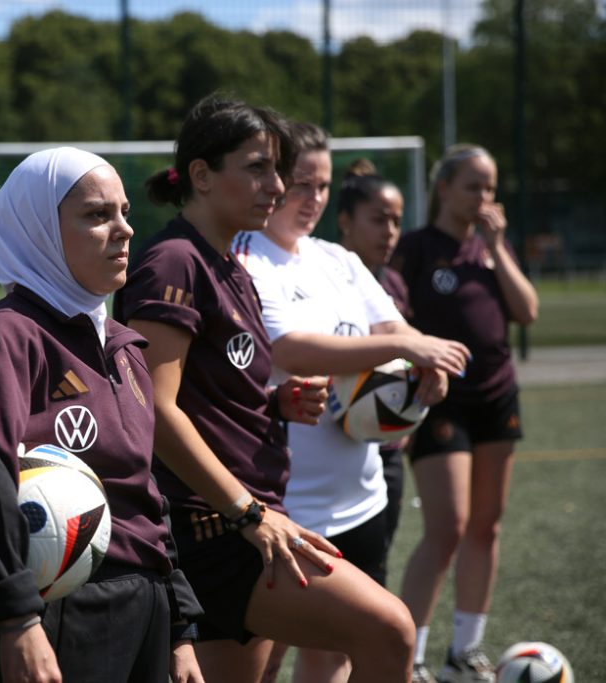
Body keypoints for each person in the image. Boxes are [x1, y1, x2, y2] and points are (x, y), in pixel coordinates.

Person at [113, 94, 416, 683]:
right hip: (217, 530)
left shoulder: (231, 267)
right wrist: (248, 514)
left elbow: (209, 391)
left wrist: (275, 403)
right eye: (257, 167)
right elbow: (154, 409)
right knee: (390, 630)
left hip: (248, 521)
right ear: (201, 175)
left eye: (278, 169)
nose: (276, 186)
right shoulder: (174, 262)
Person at [0, 146, 204, 683]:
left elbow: (146, 494)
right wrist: (16, 616)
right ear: (39, 231)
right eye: (97, 215)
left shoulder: (124, 347)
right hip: (57, 611)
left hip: (144, 609)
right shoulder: (7, 337)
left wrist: (179, 625)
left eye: (124, 212)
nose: (123, 229)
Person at [232, 123, 469, 683]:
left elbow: (391, 325)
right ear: (271, 180)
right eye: (301, 183)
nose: (312, 198)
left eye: (323, 186)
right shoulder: (245, 258)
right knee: (263, 659)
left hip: (362, 499)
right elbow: (288, 348)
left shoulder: (337, 259)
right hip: (286, 506)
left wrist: (425, 365)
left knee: (336, 654)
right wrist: (405, 347)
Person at [392, 144, 539, 683]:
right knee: (448, 527)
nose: (484, 197)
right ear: (444, 189)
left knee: (486, 527)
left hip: (497, 397)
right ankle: (410, 657)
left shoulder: (492, 248)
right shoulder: (415, 248)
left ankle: (464, 651)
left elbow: (527, 311)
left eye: (490, 187)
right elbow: (392, 319)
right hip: (441, 400)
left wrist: (498, 248)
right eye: (473, 186)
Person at [337, 158, 415, 561]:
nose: (390, 232)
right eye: (379, 220)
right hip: (338, 443)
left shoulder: (394, 282)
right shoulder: (322, 276)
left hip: (387, 447)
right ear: (345, 222)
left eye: (397, 222)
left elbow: (406, 359)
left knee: (378, 561)